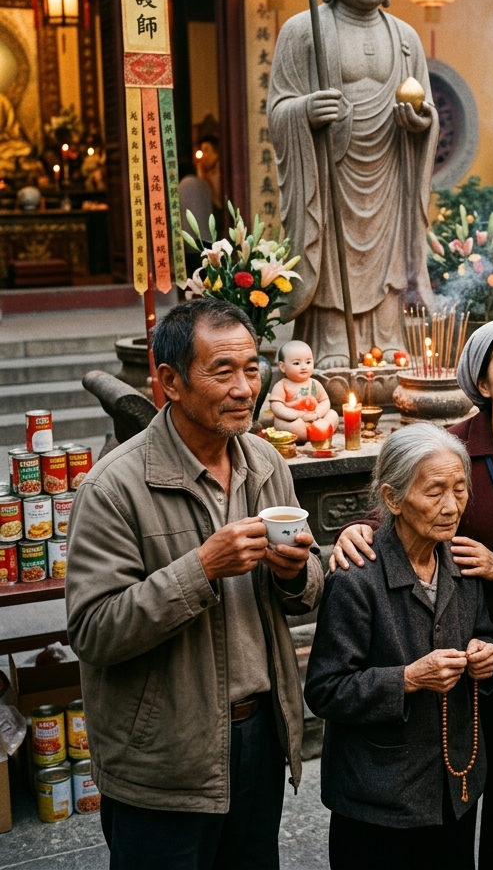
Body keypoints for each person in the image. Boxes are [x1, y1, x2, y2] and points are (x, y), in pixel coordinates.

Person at [65, 299, 323, 870]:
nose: (244, 389)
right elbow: (93, 631)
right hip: (165, 756)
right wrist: (201, 568)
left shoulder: (266, 464)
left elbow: (309, 590)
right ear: (171, 382)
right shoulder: (114, 487)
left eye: (252, 369)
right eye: (222, 371)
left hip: (260, 737)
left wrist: (296, 572)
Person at [331, 319, 493, 870]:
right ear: (482, 384)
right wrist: (357, 531)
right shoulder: (451, 445)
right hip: (451, 661)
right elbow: (402, 506)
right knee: (449, 805)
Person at [305, 424, 493, 870]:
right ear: (393, 499)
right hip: (378, 800)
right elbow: (324, 690)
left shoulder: (461, 562)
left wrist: (486, 654)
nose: (451, 506)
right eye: (434, 492)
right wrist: (409, 678)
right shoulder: (357, 578)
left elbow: (484, 632)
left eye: (460, 489)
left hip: (453, 785)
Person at [268, 0, 438, 368]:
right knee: (329, 256)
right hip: (329, 177)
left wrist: (421, 123)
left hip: (389, 178)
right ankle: (330, 343)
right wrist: (304, 111)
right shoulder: (303, 31)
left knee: (387, 266)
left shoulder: (406, 39)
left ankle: (388, 339)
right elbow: (278, 111)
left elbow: (426, 108)